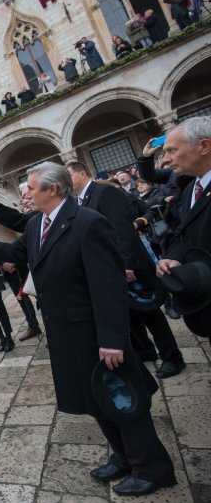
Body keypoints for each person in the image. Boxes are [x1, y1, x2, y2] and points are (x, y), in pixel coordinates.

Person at [0, 162, 175, 497]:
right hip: (68, 333)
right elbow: (14, 252)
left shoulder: (88, 223)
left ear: (52, 190)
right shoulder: (38, 224)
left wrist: (112, 340)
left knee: (123, 399)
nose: (26, 194)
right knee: (96, 398)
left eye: (31, 188)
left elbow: (108, 288)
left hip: (96, 332)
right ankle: (123, 456)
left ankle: (152, 468)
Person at [67, 162, 185, 378]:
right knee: (128, 313)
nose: (67, 181)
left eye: (69, 176)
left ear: (82, 174)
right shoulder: (81, 199)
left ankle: (172, 357)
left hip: (129, 264)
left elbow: (122, 230)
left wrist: (128, 264)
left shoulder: (104, 192)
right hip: (111, 268)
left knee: (149, 312)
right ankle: (145, 350)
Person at [156, 116, 211, 337]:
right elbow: (182, 232)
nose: (165, 160)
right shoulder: (191, 188)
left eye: (171, 151)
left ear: (204, 146)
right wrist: (174, 257)